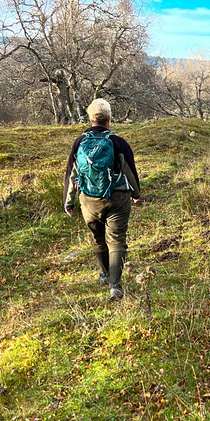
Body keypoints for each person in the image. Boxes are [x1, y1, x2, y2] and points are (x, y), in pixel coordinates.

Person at [63, 99, 141, 301]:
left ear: (90, 119)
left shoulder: (79, 142)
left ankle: (104, 274)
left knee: (98, 239)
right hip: (117, 198)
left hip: (88, 200)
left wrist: (68, 201)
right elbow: (129, 170)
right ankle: (115, 286)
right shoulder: (119, 142)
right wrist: (136, 195)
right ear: (109, 119)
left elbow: (72, 173)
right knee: (116, 241)